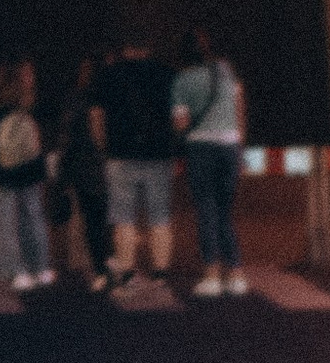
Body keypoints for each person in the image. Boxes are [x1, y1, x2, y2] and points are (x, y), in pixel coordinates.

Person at [94, 35, 179, 288]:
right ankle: (161, 272)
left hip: (120, 154)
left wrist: (103, 145)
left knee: (123, 218)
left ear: (126, 48)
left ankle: (128, 271)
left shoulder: (110, 74)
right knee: (160, 217)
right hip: (159, 154)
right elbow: (176, 116)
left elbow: (97, 114)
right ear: (148, 48)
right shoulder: (167, 74)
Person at [172, 27, 249, 298]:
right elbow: (240, 110)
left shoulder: (183, 79)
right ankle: (237, 273)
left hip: (201, 147)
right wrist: (240, 151)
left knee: (206, 208)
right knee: (225, 211)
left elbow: (180, 123)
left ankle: (212, 274)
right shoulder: (227, 72)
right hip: (230, 145)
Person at [0, 58, 53, 290]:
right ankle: (40, 267)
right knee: (33, 218)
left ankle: (13, 270)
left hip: (1, 170)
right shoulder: (34, 104)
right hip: (31, 168)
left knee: (5, 222)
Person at [51, 55, 112, 290]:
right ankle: (104, 264)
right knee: (102, 218)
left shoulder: (75, 98)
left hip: (81, 164)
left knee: (89, 219)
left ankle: (90, 265)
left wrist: (62, 171)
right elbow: (100, 135)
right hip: (100, 164)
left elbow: (67, 136)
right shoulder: (105, 98)